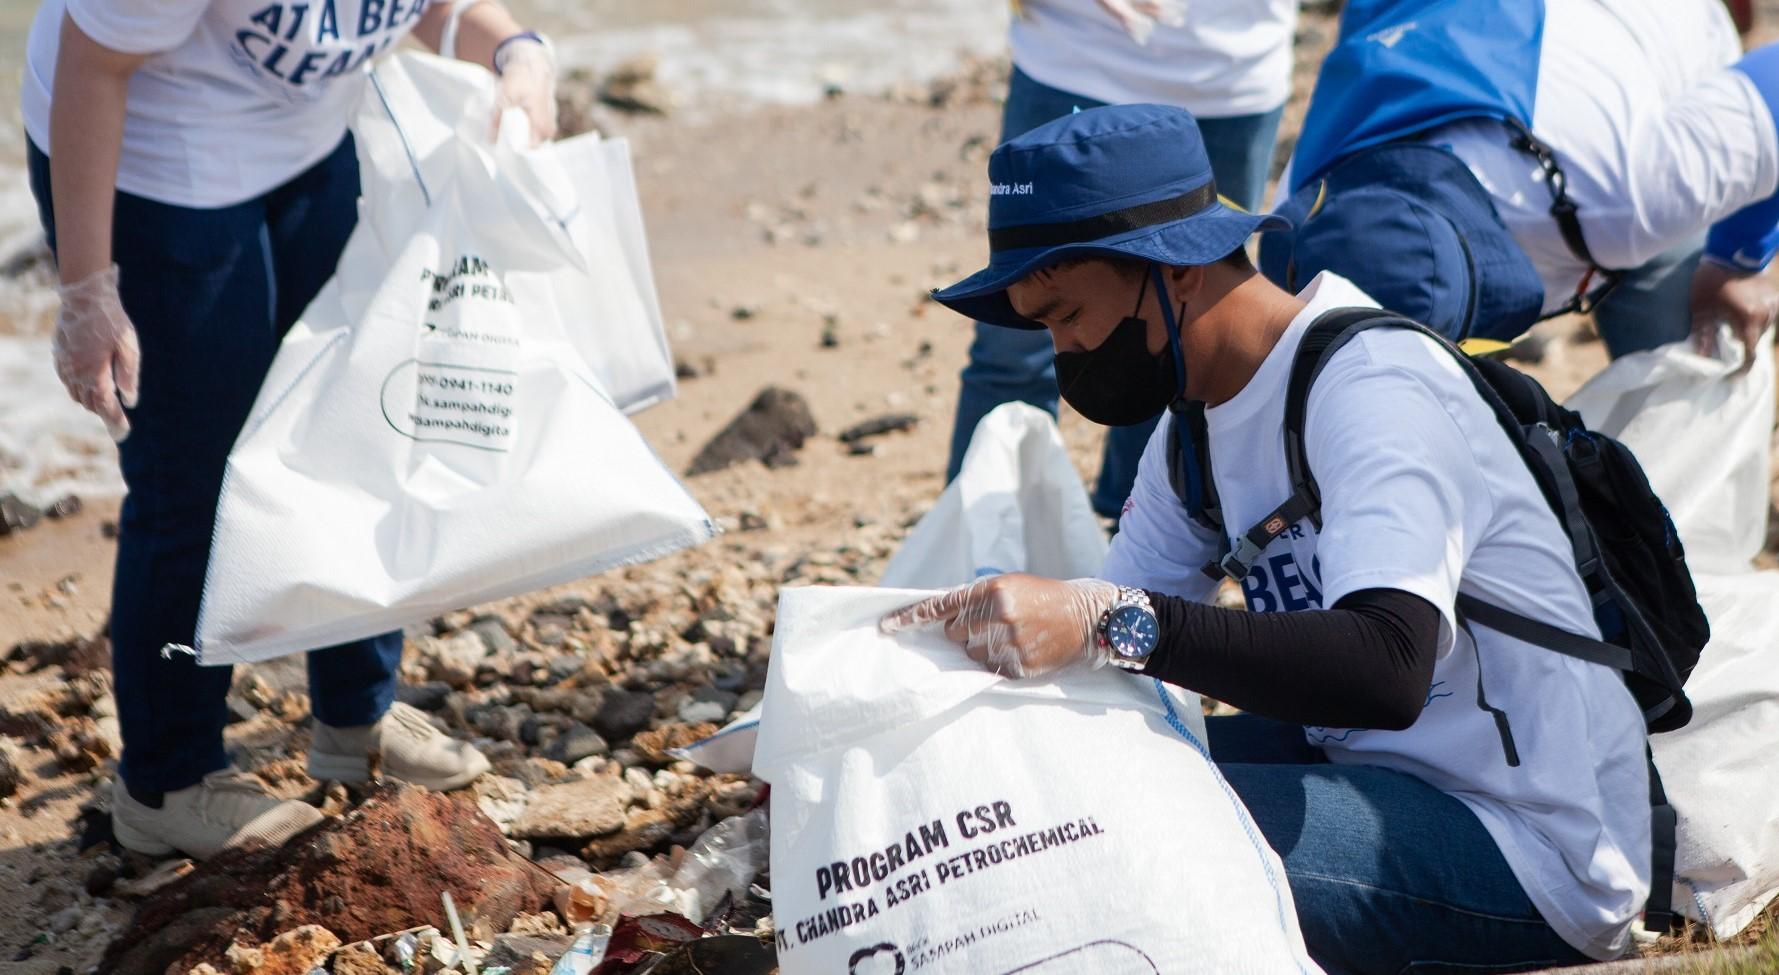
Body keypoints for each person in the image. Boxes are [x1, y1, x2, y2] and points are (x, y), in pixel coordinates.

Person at [887, 104, 1651, 974]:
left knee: (1094, 842)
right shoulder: (1195, 433)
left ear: (1169, 269)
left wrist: (1106, 620)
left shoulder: (1371, 388)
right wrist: (916, 730)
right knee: (1044, 794)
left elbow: (1385, 667)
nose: (1064, 356)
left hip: (1529, 842)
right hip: (1375, 768)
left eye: (1065, 314)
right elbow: (1098, 666)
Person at [21, 0, 558, 858]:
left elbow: (437, 7)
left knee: (351, 418)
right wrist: (88, 289)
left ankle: (357, 716)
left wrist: (518, 54)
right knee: (193, 476)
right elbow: (92, 68)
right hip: (157, 164)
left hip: (306, 143)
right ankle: (165, 781)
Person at [1260, 0, 1779, 362]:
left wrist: (1733, 261)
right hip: (1452, 33)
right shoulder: (1293, 228)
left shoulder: (1635, 191)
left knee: (1688, 342)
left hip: (1649, 40)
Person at [948, 0, 1296, 519]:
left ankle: (1141, 534)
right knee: (1018, 343)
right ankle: (974, 550)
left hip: (1233, 71)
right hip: (1079, 54)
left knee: (1184, 335)